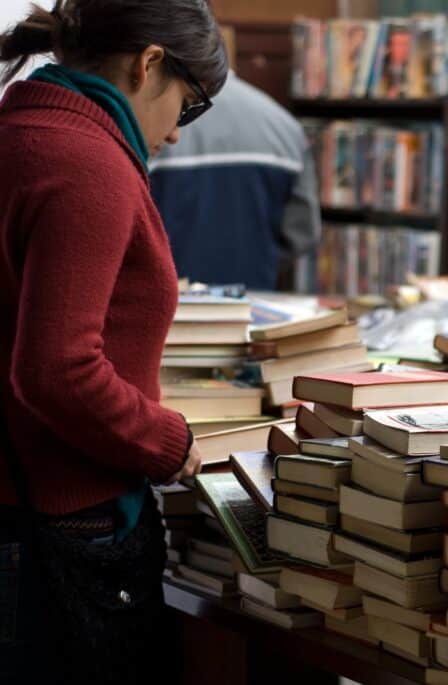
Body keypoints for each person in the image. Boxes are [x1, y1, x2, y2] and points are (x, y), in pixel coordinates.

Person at [0, 1, 226, 682]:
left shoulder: (21, 131)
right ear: (148, 63)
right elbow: (57, 369)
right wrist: (167, 441)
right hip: (62, 527)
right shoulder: (87, 163)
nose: (178, 135)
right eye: (186, 106)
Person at [149, 70, 322, 290]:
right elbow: (303, 232)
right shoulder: (284, 126)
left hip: (171, 303)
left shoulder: (155, 125)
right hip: (252, 301)